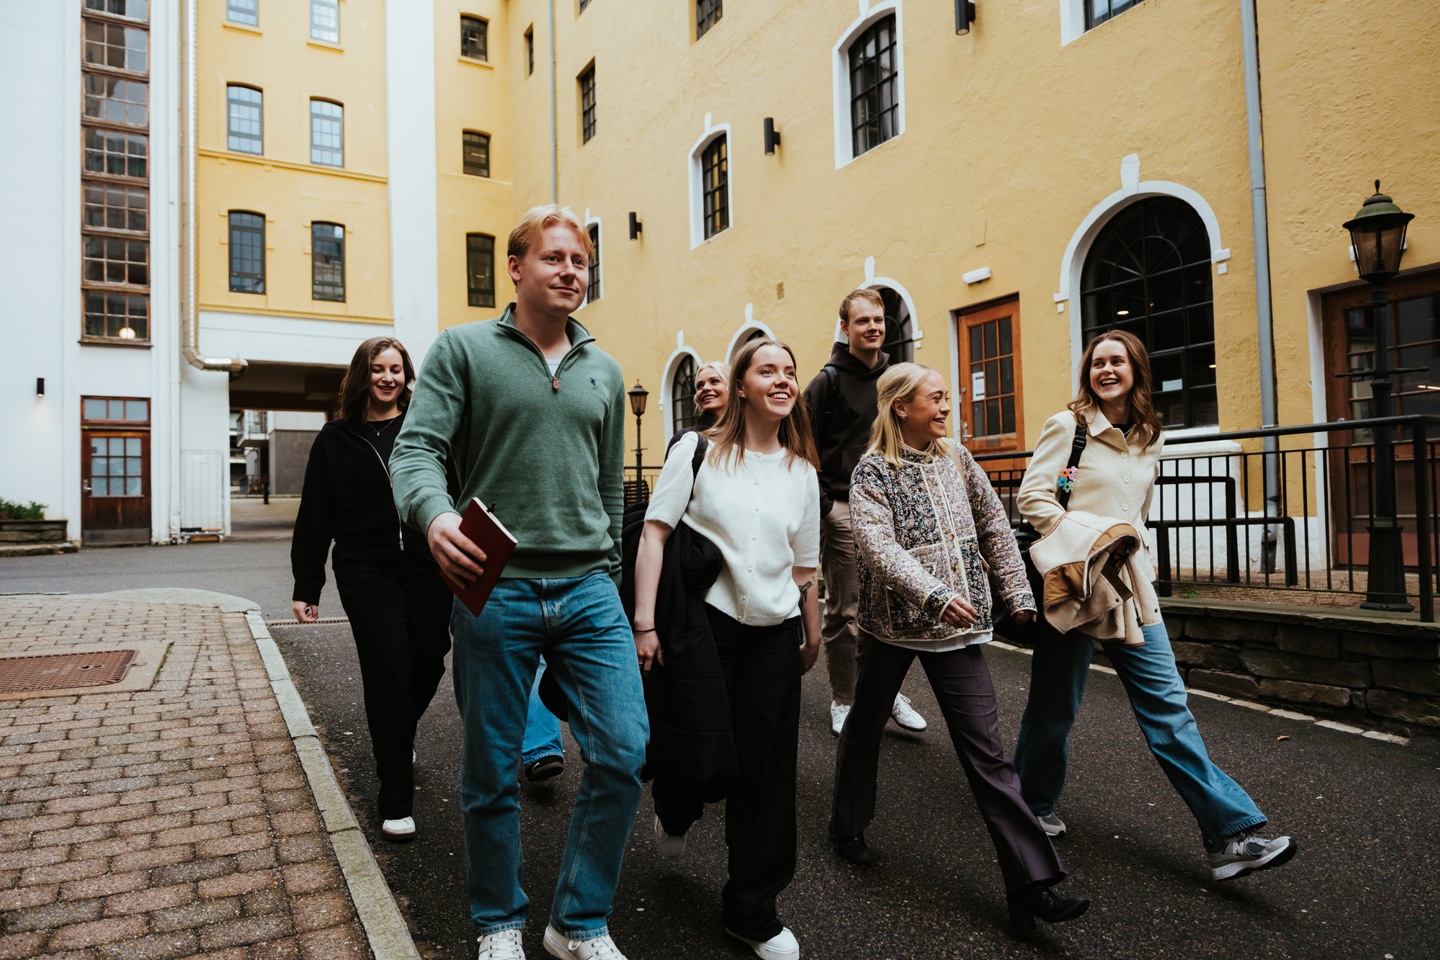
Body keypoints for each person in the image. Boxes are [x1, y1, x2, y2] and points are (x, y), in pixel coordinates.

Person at [389, 205, 647, 960]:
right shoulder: (463, 350)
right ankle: (499, 922)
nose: (572, 271)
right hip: (495, 586)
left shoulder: (604, 370)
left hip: (588, 589)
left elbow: (607, 494)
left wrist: (612, 579)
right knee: (491, 769)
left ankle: (578, 922)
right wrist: (435, 518)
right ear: (516, 267)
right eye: (556, 258)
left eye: (582, 261)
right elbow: (417, 453)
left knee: (625, 751)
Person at [1012, 329, 1298, 882]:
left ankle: (1229, 837)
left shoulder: (1150, 436)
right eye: (1098, 363)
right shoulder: (1069, 429)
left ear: (1137, 369)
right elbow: (1035, 499)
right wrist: (1093, 538)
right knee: (1054, 710)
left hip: (1132, 589)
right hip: (1078, 583)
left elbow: (1138, 513)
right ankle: (1029, 804)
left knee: (1170, 712)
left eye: (1117, 361)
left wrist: (1132, 554)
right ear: (1088, 372)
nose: (1107, 370)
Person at [829, 362, 1089, 934]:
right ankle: (846, 824)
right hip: (892, 626)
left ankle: (1030, 891)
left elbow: (996, 525)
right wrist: (935, 594)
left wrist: (1017, 593)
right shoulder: (873, 471)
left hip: (958, 630)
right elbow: (876, 547)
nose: (947, 407)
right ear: (902, 407)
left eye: (947, 398)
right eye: (937, 399)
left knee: (988, 757)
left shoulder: (958, 457)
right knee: (866, 726)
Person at [633, 338, 821, 960]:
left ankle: (753, 911)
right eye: (768, 370)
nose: (783, 379)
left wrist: (812, 629)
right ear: (742, 386)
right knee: (697, 753)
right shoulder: (698, 451)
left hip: (772, 636)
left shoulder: (803, 472)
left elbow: (805, 566)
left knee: (767, 776)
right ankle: (676, 806)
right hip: (702, 632)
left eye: (790, 371)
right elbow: (655, 533)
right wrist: (644, 625)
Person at [291, 336, 452, 844]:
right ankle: (395, 798)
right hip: (365, 569)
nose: (388, 378)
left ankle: (397, 732)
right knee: (387, 669)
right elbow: (314, 516)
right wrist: (307, 584)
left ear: (407, 377)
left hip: (427, 562)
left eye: (397, 369)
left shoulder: (422, 431)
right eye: (379, 369)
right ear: (363, 374)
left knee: (431, 656)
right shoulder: (334, 440)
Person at [803, 289, 927, 738]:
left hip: (891, 509)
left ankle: (885, 690)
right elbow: (804, 446)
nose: (873, 327)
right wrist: (822, 505)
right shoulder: (826, 382)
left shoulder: (897, 378)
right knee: (847, 610)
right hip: (842, 509)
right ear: (845, 328)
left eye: (878, 320)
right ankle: (844, 699)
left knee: (890, 606)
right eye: (863, 321)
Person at [666, 360, 729, 454]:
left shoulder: (748, 436)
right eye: (700, 386)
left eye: (715, 381)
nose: (705, 388)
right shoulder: (683, 438)